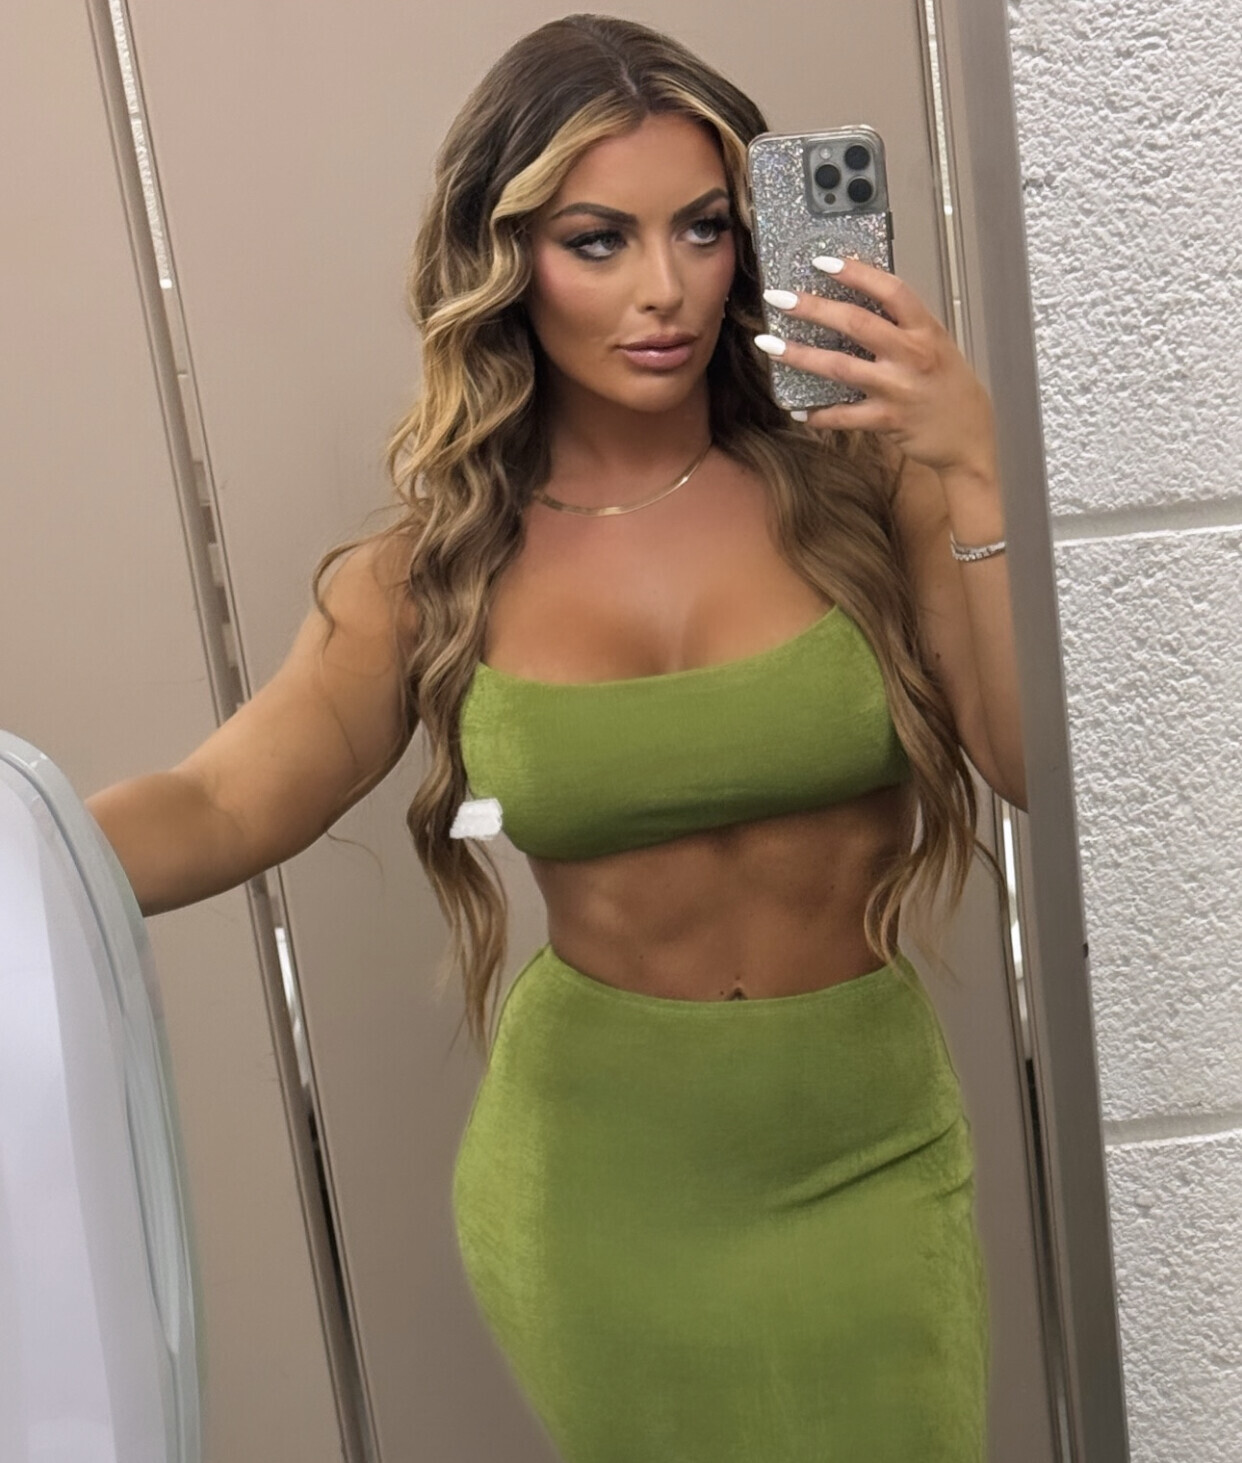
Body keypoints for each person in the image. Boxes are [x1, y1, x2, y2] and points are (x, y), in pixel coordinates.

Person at [88, 14, 1026, 1461]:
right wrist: (26, 844)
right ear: (505, 259)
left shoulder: (869, 496)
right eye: (598, 241)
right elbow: (221, 806)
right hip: (599, 1179)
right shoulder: (436, 571)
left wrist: (978, 475)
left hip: (866, 1152)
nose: (665, 289)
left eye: (703, 228)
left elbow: (1029, 771)